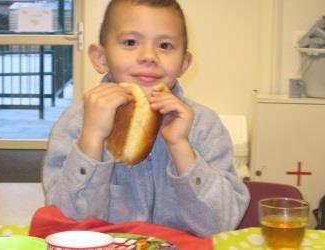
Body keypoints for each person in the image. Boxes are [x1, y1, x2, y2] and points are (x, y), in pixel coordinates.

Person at [43, 0, 250, 237]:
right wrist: (92, 138)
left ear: (184, 63)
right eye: (130, 42)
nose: (149, 56)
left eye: (165, 45)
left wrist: (180, 146)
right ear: (101, 57)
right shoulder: (77, 124)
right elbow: (65, 225)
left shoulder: (204, 125)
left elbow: (220, 226)